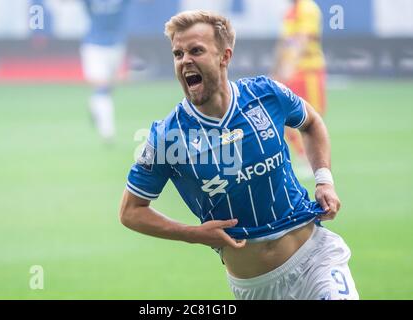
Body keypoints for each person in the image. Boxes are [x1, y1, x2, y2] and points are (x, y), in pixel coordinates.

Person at [120, 10, 358, 300]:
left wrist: (324, 180)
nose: (185, 61)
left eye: (196, 50)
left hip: (315, 260)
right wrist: (193, 234)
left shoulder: (266, 94)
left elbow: (311, 122)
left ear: (224, 56)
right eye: (178, 53)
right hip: (255, 288)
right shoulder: (167, 136)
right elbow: (131, 211)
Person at [271, 0, 326, 178]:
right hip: (291, 73)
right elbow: (283, 43)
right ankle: (304, 157)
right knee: (282, 114)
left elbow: (303, 38)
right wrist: (277, 70)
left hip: (308, 71)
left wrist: (289, 65)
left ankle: (314, 162)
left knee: (312, 116)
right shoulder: (289, 12)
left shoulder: (307, 7)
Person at [80, 0, 131, 141]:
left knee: (108, 88)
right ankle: (108, 131)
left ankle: (95, 106)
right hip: (94, 46)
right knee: (101, 87)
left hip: (116, 46)